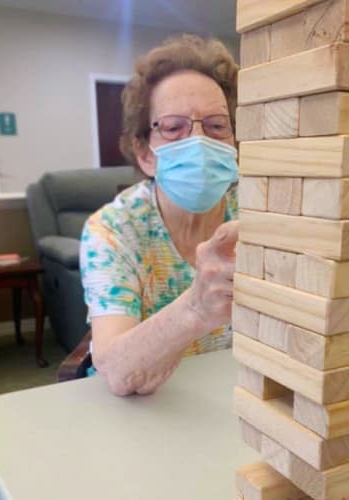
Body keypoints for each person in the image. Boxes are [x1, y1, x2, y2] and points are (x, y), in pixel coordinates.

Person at [80, 34, 239, 396]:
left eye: (217, 126)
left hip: (233, 404)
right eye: (173, 128)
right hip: (144, 410)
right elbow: (117, 370)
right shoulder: (111, 231)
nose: (200, 142)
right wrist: (197, 308)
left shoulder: (255, 210)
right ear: (145, 153)